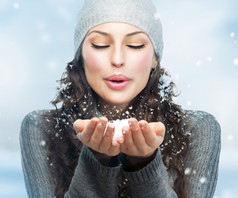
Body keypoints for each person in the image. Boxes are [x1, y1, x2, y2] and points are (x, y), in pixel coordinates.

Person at [20, 0, 221, 197]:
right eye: (100, 45)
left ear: (155, 59)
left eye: (135, 45)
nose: (117, 60)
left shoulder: (196, 129)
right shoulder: (42, 128)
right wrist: (98, 161)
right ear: (81, 55)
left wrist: (144, 163)